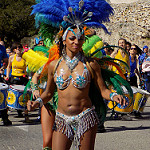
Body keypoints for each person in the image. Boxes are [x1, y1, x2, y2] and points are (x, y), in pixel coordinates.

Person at [5, 42, 30, 122]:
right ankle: (5, 117)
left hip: (23, 78)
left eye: (19, 47)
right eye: (16, 48)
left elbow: (28, 67)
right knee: (11, 95)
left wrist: (28, 75)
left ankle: (26, 117)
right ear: (14, 50)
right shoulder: (11, 57)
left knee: (25, 97)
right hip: (14, 78)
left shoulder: (25, 58)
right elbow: (9, 67)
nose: (18, 49)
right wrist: (7, 76)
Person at [111, 38, 132, 121]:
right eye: (120, 43)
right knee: (116, 92)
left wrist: (129, 74)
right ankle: (115, 111)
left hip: (123, 76)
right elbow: (110, 60)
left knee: (122, 92)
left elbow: (128, 65)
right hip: (115, 75)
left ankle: (121, 111)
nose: (121, 44)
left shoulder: (126, 54)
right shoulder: (116, 52)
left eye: (123, 43)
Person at [0, 43, 12, 126]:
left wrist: (2, 68)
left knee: (2, 96)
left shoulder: (2, 48)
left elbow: (6, 61)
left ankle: (5, 117)